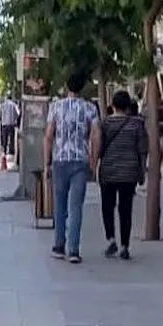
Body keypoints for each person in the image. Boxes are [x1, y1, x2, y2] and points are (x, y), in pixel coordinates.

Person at [44, 72, 101, 264]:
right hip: (80, 161)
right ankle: (74, 250)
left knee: (60, 205)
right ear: (82, 88)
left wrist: (47, 163)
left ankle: (59, 246)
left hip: (60, 160)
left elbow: (49, 136)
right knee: (76, 206)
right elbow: (95, 136)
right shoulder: (90, 109)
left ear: (67, 87)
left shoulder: (55, 107)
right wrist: (94, 160)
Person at [95, 91, 148, 260]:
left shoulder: (105, 123)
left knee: (107, 207)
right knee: (126, 209)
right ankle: (125, 245)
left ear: (113, 105)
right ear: (127, 107)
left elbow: (99, 146)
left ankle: (111, 239)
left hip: (108, 171)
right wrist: (142, 171)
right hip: (129, 172)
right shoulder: (137, 124)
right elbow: (142, 150)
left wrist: (94, 165)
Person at [0, 93, 20, 157]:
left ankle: (4, 150)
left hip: (4, 124)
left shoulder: (2, 105)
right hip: (11, 124)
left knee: (5, 138)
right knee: (11, 138)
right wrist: (15, 119)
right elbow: (18, 114)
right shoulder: (14, 105)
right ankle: (11, 150)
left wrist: (0, 119)